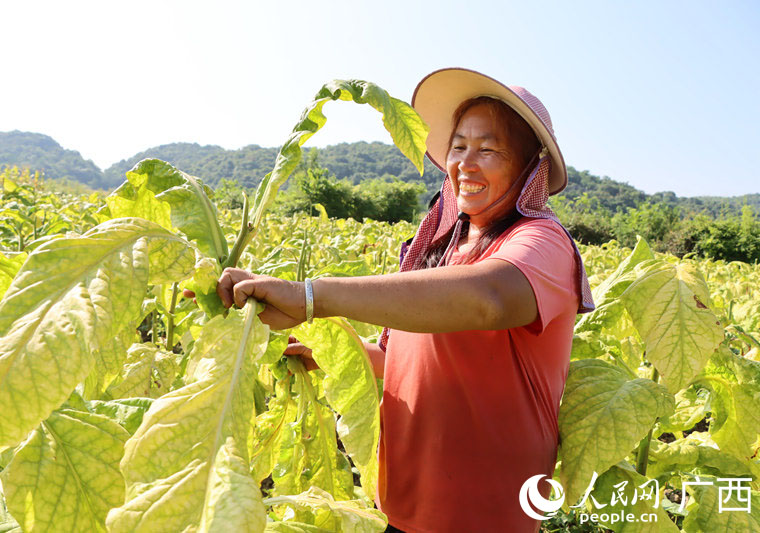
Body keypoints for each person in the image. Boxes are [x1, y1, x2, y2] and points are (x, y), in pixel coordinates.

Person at [216, 68, 594, 533]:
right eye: (458, 146)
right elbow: (403, 360)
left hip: (484, 513)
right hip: (405, 503)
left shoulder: (541, 242)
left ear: (528, 167)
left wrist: (312, 296)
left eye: (490, 149)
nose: (466, 164)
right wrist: (339, 354)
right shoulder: (441, 247)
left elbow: (488, 298)